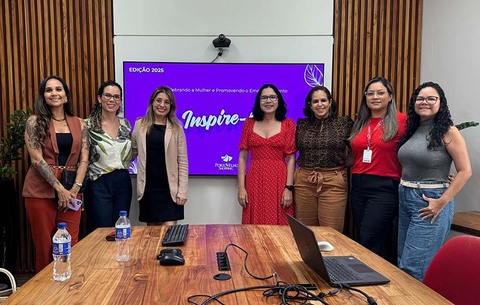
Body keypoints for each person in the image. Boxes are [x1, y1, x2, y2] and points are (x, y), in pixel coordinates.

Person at [397, 82, 472, 281]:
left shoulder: (448, 131)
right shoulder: (413, 129)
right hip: (406, 196)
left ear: (441, 103)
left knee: (414, 268)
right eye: (420, 98)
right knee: (403, 263)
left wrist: (442, 201)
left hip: (430, 201)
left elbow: (465, 171)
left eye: (431, 98)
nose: (425, 102)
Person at [22, 76, 89, 272]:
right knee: (45, 248)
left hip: (72, 190)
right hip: (40, 191)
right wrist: (60, 189)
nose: (54, 93)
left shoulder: (80, 123)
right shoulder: (34, 122)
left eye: (58, 89)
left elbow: (84, 159)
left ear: (66, 96)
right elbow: (37, 159)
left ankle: (67, 293)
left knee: (70, 243)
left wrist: (74, 190)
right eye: (48, 90)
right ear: (43, 96)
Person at [349, 76, 407, 260]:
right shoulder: (361, 122)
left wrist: (442, 171)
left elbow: (421, 147)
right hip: (358, 185)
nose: (375, 97)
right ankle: (382, 279)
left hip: (384, 187)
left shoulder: (403, 121)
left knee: (369, 237)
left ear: (390, 96)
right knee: (371, 239)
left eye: (380, 93)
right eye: (370, 93)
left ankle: (377, 281)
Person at [294, 86, 353, 232]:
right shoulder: (302, 124)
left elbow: (357, 148)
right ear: (310, 105)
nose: (320, 104)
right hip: (304, 182)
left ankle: (330, 257)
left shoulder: (344, 123)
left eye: (323, 100)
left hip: (333, 182)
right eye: (315, 101)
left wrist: (343, 165)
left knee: (331, 233)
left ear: (330, 102)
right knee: (306, 232)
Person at [237, 84, 296, 225]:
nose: (268, 101)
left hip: (279, 179)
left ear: (278, 100)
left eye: (272, 97)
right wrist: (241, 188)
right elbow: (242, 157)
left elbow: (291, 158)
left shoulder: (288, 124)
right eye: (264, 97)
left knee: (281, 224)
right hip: (254, 179)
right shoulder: (249, 123)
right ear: (258, 101)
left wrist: (288, 188)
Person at [131, 86, 188, 226]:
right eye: (158, 100)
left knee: (170, 234)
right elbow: (131, 151)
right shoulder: (140, 125)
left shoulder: (177, 128)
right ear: (152, 102)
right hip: (148, 189)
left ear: (171, 106)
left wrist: (182, 191)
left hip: (170, 190)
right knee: (151, 237)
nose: (162, 105)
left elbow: (183, 162)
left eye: (167, 102)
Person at [84, 80, 133, 233]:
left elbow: (133, 152)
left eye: (116, 97)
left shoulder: (126, 124)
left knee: (121, 229)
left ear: (120, 101)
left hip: (123, 182)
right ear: (100, 98)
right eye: (108, 95)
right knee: (100, 231)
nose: (112, 100)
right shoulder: (87, 125)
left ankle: (119, 257)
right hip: (98, 183)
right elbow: (82, 157)